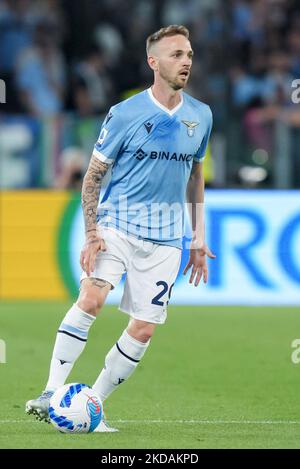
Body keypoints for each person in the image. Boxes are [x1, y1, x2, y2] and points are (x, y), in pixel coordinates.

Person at [25, 24, 215, 432]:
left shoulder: (201, 115)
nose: (186, 62)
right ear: (154, 62)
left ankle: (93, 405)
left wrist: (197, 237)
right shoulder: (125, 113)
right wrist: (92, 232)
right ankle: (50, 391)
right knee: (92, 298)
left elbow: (195, 174)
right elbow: (93, 175)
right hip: (118, 226)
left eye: (189, 55)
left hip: (166, 239)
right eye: (177, 54)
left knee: (143, 329)